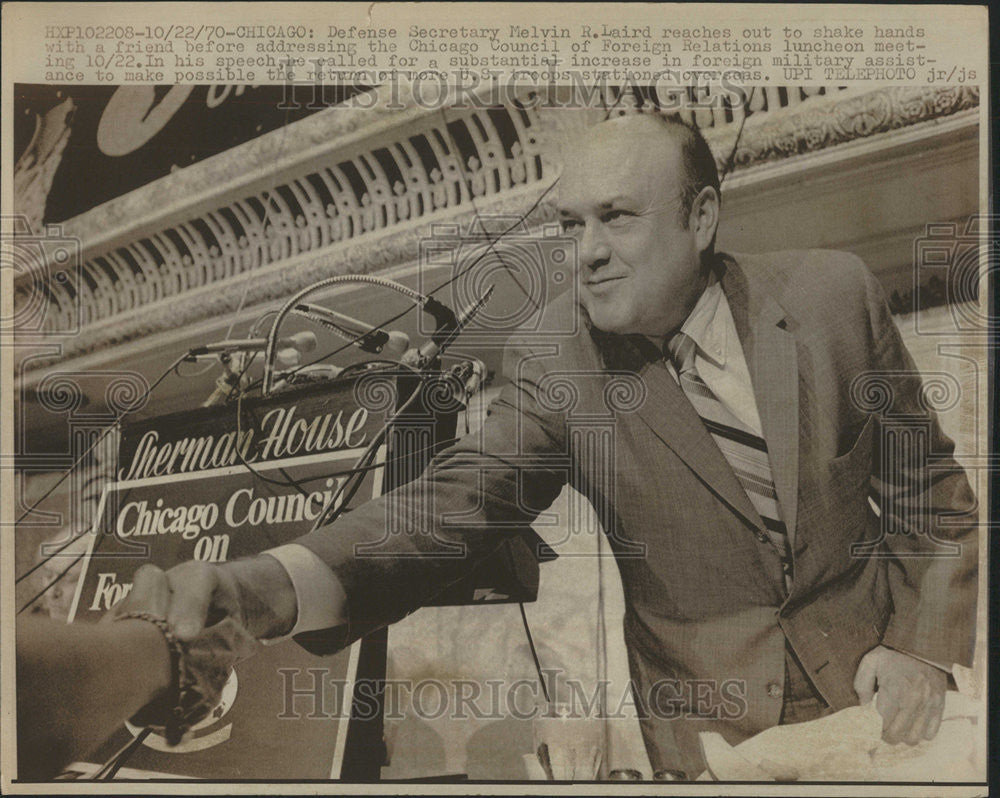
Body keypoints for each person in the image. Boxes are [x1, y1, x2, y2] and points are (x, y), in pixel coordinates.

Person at [107, 113, 978, 778]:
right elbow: (447, 509)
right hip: (711, 740)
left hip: (883, 707)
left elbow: (927, 488)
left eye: (617, 219)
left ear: (701, 215)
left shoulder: (833, 296)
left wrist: (922, 651)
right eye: (571, 225)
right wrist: (257, 588)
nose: (586, 254)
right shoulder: (554, 357)